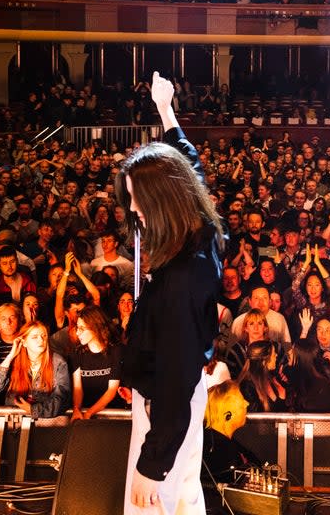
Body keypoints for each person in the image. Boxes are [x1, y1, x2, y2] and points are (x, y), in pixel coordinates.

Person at [117, 72, 223, 514]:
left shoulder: (180, 277)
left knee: (157, 502)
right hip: (178, 399)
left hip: (167, 406)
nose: (134, 210)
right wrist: (165, 109)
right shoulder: (201, 231)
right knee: (184, 501)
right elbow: (189, 166)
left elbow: (175, 382)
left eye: (138, 200)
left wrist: (152, 463)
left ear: (163, 202)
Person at [0, 321, 71, 421]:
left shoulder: (57, 362)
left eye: (44, 336)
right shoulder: (14, 361)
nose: (41, 340)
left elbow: (62, 398)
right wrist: (10, 356)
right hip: (14, 422)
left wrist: (33, 410)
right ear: (24, 342)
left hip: (44, 423)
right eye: (35, 337)